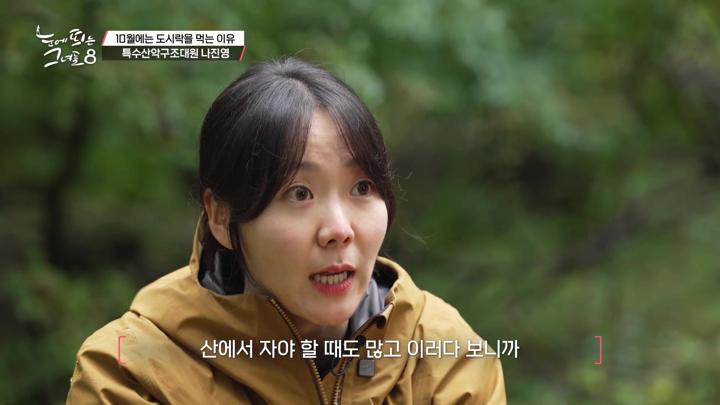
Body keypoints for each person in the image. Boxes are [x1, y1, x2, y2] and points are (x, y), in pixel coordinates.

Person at [66, 57, 506, 404]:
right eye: (299, 193)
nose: (339, 230)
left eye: (361, 187)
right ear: (221, 216)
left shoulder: (444, 355)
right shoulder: (131, 370)